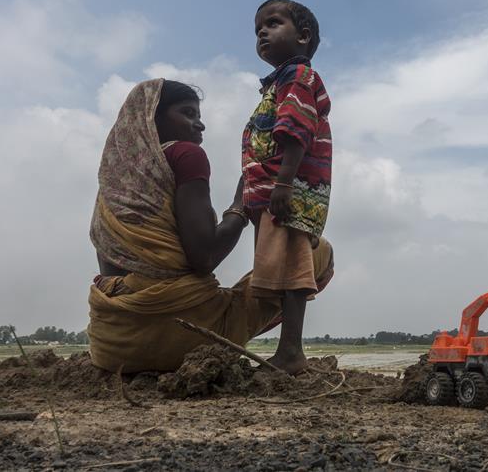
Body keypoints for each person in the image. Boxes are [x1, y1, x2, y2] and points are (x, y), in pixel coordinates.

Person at [87, 78, 334, 373]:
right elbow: (204, 258)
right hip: (179, 335)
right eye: (188, 113)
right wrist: (241, 204)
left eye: (199, 116)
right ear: (151, 117)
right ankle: (290, 351)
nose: (199, 125)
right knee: (318, 252)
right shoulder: (186, 154)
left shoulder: (113, 181)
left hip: (111, 346)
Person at [242, 0, 332, 374]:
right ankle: (286, 350)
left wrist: (283, 185)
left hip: (290, 194)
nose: (263, 32)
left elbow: (295, 130)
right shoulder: (277, 84)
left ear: (303, 37)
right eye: (258, 28)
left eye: (274, 23)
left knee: (293, 273)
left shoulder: (297, 77)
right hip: (276, 195)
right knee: (278, 272)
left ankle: (291, 352)